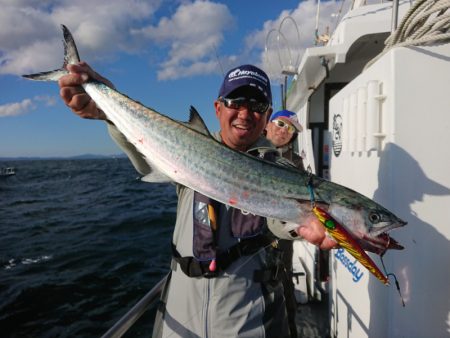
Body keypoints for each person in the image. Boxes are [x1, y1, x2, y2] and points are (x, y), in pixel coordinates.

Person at [58, 62, 337, 337]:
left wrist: (302, 222)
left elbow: (279, 220)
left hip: (247, 322)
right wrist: (106, 106)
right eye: (236, 102)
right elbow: (143, 146)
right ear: (218, 108)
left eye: (257, 106)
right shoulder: (186, 146)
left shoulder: (282, 169)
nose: (245, 113)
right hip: (179, 318)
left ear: (266, 115)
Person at [265, 109, 304, 337]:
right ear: (268, 124)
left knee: (283, 285)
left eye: (290, 129)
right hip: (246, 238)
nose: (284, 131)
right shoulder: (248, 151)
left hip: (281, 239)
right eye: (281, 123)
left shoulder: (295, 164)